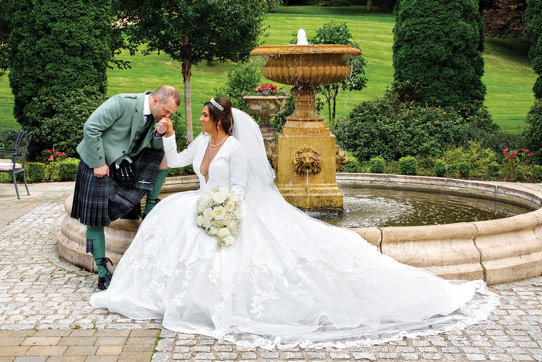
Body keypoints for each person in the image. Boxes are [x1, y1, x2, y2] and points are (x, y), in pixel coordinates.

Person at [90, 98, 498, 349]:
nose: (199, 120)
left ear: (220, 120)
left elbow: (246, 188)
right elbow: (176, 161)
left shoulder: (235, 148)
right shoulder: (202, 142)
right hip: (201, 203)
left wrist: (227, 210)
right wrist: (167, 134)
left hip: (231, 208)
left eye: (203, 116)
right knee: (165, 217)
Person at [72, 85, 180, 291]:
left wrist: (159, 135)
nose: (167, 116)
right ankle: (103, 273)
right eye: (166, 111)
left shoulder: (156, 118)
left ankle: (150, 208)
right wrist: (98, 162)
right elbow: (91, 128)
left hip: (123, 162)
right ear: (155, 100)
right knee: (95, 219)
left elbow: (156, 149)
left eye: (171, 114)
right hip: (97, 162)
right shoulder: (122, 102)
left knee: (163, 157)